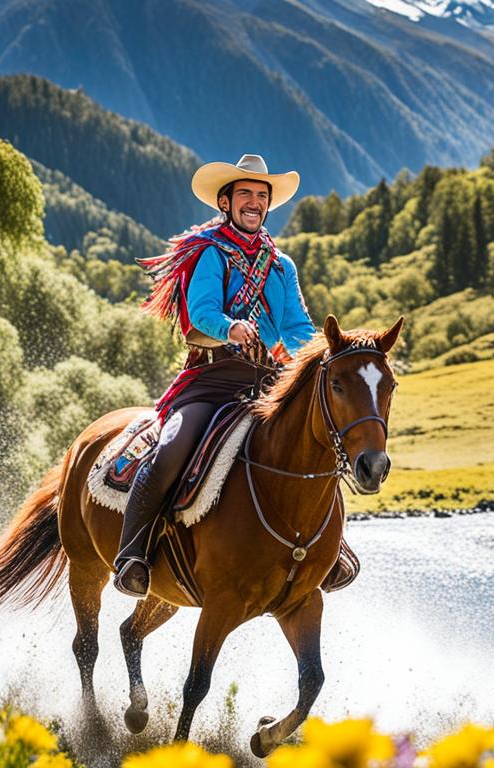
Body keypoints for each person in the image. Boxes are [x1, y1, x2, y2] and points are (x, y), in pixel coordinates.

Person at [114, 154, 317, 598]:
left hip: (268, 381)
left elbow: (297, 327)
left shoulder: (281, 265)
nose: (255, 202)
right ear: (225, 201)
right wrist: (232, 327)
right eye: (245, 193)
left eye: (262, 196)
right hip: (213, 379)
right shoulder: (208, 251)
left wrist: (322, 356)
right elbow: (201, 313)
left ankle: (328, 553)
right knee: (171, 451)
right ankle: (131, 554)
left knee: (318, 440)